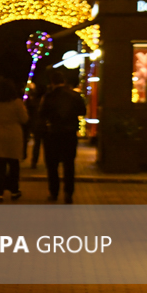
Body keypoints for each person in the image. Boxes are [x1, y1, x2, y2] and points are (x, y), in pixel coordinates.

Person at [40, 69, 87, 203]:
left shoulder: (48, 96)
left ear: (52, 82)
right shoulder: (74, 95)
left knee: (52, 165)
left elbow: (42, 114)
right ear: (64, 81)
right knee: (69, 164)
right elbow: (82, 111)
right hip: (70, 133)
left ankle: (54, 192)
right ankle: (68, 193)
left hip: (53, 133)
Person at [0, 78, 30, 202]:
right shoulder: (17, 102)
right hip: (14, 134)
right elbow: (24, 119)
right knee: (13, 163)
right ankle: (14, 189)